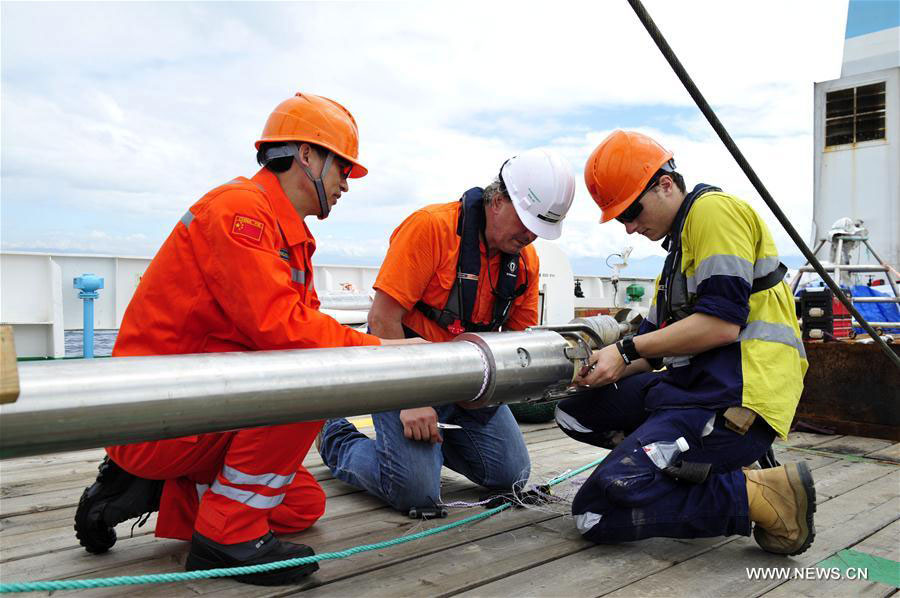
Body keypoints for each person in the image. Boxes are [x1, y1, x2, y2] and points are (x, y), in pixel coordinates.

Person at [74, 92, 413, 586]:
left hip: (201, 408)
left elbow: (299, 322)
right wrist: (384, 351)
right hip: (161, 415)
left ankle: (159, 489)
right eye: (343, 166)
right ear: (307, 156)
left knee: (302, 506)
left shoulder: (286, 232)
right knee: (313, 379)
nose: (346, 183)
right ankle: (223, 536)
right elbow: (284, 330)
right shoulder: (241, 213)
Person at [556, 130, 812, 555]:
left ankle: (761, 497)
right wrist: (606, 364)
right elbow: (648, 344)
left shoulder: (714, 213)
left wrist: (626, 351)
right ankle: (679, 468)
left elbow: (721, 326)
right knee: (574, 413)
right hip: (693, 388)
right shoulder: (677, 255)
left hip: (736, 399)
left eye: (632, 212)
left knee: (594, 513)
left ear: (666, 184)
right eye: (622, 220)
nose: (631, 228)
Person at [318, 149, 576, 513]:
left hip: (473, 386)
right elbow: (382, 319)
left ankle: (430, 448)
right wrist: (410, 398)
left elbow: (517, 339)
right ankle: (335, 435)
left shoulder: (526, 263)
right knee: (417, 493)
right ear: (498, 201)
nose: (531, 236)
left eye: (539, 229)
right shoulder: (431, 228)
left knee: (512, 476)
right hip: (409, 377)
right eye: (527, 223)